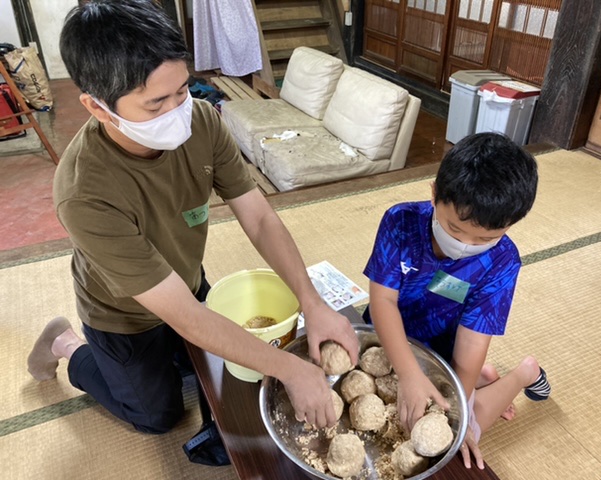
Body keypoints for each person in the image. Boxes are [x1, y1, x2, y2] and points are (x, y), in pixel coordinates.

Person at [26, 0, 359, 439]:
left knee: (211, 371)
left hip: (186, 282)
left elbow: (259, 218)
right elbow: (184, 316)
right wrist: (290, 369)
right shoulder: (83, 192)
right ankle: (67, 345)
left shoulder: (201, 121)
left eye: (182, 90)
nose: (177, 111)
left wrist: (312, 303)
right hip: (123, 314)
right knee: (158, 416)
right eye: (155, 104)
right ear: (98, 107)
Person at [362, 133, 551, 470]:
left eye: (485, 238)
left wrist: (453, 413)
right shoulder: (400, 222)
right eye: (454, 228)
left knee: (456, 434)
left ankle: (524, 373)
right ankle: (484, 378)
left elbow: (472, 344)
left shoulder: (502, 262)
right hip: (388, 332)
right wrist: (408, 373)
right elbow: (383, 302)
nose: (465, 244)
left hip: (446, 355)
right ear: (435, 193)